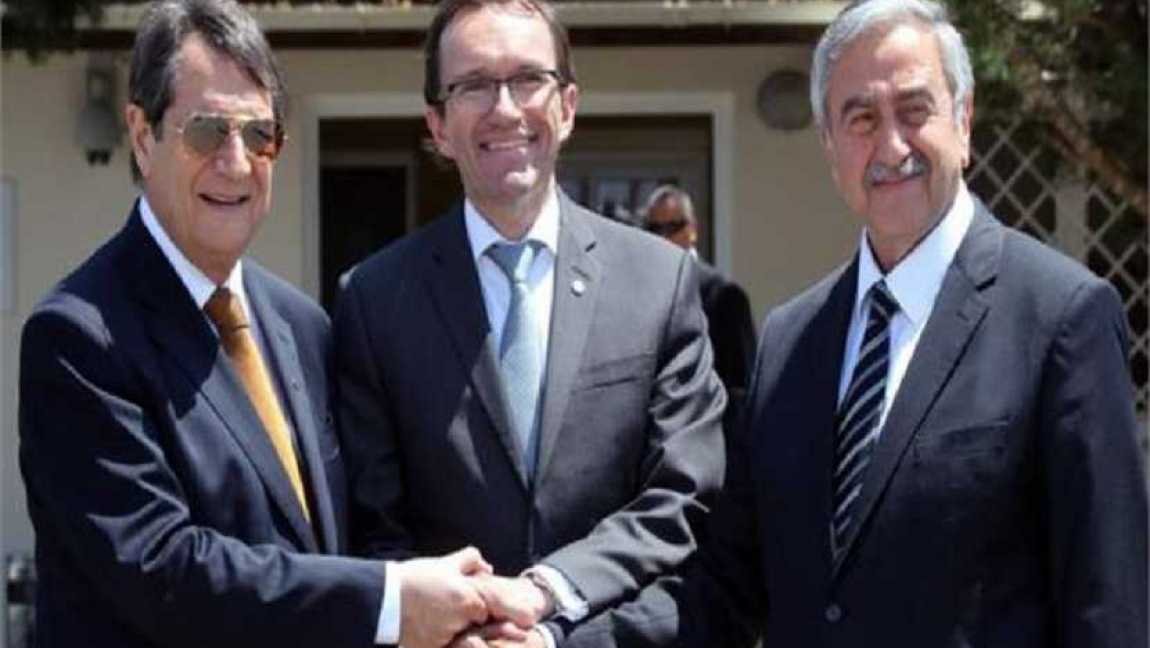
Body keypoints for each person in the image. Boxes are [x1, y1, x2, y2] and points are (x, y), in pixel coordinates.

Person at [562, 1, 1148, 646]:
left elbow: (1109, 604)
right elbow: (726, 587)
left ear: (964, 121)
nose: (891, 146)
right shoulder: (791, 339)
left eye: (915, 110)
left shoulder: (1062, 316)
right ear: (829, 146)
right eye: (862, 118)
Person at [18, 2, 502, 647]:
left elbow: (342, 536)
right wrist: (393, 602)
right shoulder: (80, 338)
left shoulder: (301, 325)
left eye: (259, 134)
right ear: (141, 134)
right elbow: (163, 570)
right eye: (207, 132)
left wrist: (457, 612)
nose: (237, 161)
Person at [333, 0, 726, 645]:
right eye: (473, 86)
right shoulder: (374, 300)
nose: (505, 108)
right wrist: (454, 630)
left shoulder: (659, 283)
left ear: (567, 107)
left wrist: (546, 598)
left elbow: (683, 495)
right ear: (437, 125)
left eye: (527, 79)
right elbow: (373, 524)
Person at [641, 186, 756, 410]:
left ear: (692, 229)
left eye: (673, 227)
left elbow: (740, 390)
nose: (663, 237)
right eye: (654, 229)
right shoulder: (640, 294)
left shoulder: (724, 296)